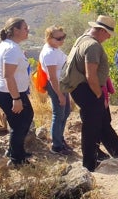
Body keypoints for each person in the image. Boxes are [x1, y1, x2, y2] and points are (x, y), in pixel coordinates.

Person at [62, 15, 118, 171]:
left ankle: (117, 149)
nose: (108, 37)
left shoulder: (82, 39)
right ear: (101, 30)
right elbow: (91, 75)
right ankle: (89, 163)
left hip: (80, 89)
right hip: (87, 90)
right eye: (108, 33)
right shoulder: (93, 46)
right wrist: (98, 93)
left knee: (100, 121)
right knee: (91, 127)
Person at [0, 17, 34, 167]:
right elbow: (8, 75)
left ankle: (15, 150)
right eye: (25, 28)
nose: (27, 31)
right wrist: (16, 98)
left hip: (12, 91)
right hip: (9, 93)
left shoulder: (8, 45)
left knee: (26, 117)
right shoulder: (11, 49)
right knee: (19, 124)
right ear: (15, 30)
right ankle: (17, 160)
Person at [39, 25, 72, 155]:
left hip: (62, 85)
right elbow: (52, 77)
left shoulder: (55, 49)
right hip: (56, 86)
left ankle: (59, 138)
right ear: (49, 38)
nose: (62, 40)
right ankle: (56, 146)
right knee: (58, 114)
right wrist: (59, 95)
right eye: (59, 38)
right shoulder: (49, 53)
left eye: (63, 37)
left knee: (65, 112)